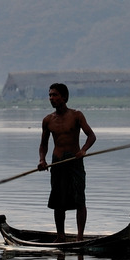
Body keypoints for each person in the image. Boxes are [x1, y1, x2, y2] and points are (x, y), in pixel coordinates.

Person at [37, 83, 96, 241]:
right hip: (57, 163)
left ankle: (79, 237)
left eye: (55, 95)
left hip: (74, 162)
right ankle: (60, 236)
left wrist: (83, 150)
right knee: (58, 201)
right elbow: (43, 144)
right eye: (50, 95)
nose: (52, 98)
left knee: (79, 200)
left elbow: (91, 136)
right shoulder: (48, 120)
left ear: (64, 97)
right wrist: (42, 160)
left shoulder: (77, 116)